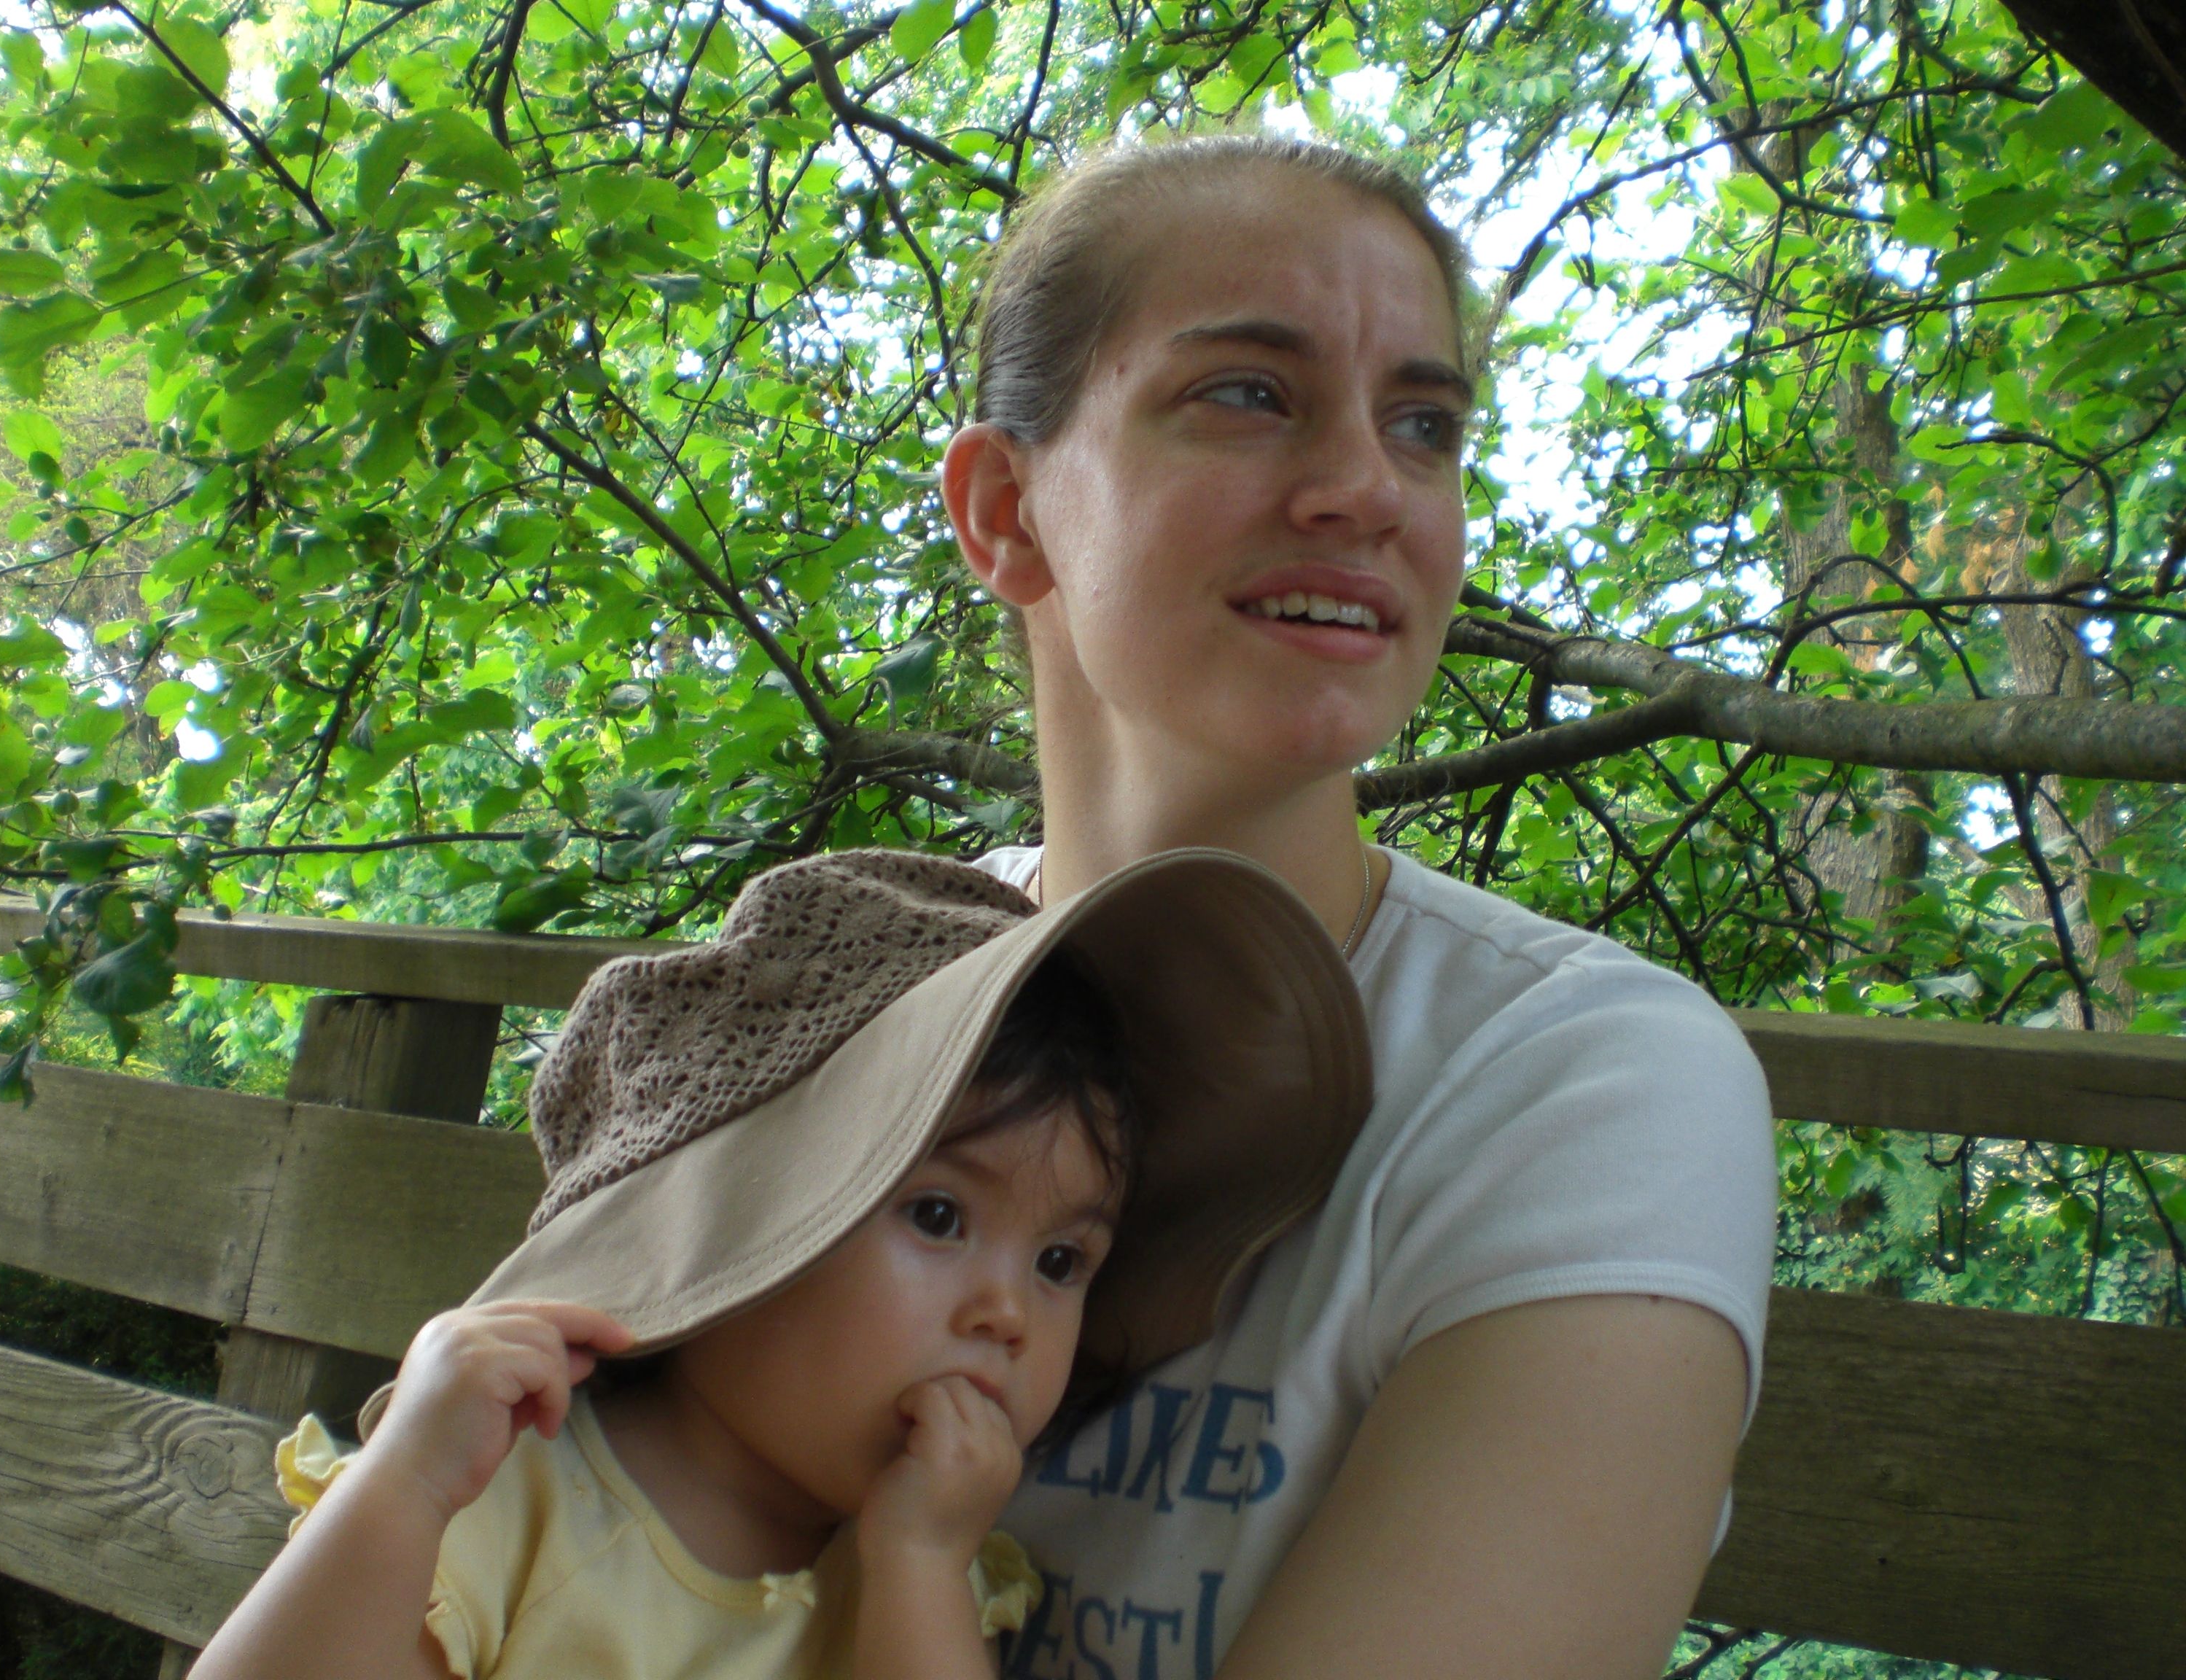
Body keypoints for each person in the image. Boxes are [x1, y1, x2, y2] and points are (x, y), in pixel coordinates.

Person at [940, 134, 1778, 1680]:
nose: (1367, 490)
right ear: (1007, 511)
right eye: (1247, 393)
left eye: (1425, 425)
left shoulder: (1578, 1083)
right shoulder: (867, 992)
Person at [187, 848, 1371, 1680]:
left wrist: (919, 1568)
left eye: (1064, 1260)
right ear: (734, 1226)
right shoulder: (510, 1501)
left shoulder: (926, 1583)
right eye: (939, 1216)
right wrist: (404, 1486)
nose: (1009, 1311)